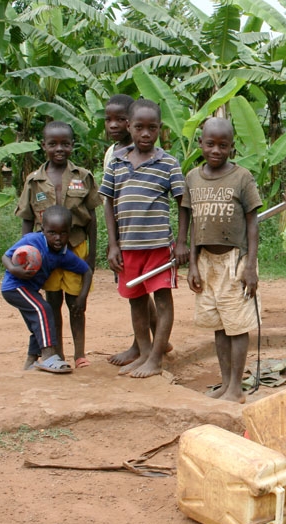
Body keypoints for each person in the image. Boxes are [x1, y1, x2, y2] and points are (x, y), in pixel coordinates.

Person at [99, 98, 189, 378]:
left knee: (162, 301)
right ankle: (144, 351)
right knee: (136, 300)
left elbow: (183, 203)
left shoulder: (168, 164)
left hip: (159, 247)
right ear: (130, 126)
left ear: (161, 129)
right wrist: (113, 245)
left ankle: (155, 360)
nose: (146, 133)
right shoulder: (116, 162)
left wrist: (183, 242)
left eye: (153, 128)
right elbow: (108, 204)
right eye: (139, 127)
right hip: (128, 248)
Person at [182, 117, 262, 403]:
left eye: (223, 145)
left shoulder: (242, 177)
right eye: (210, 144)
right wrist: (192, 263)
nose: (216, 150)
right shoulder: (191, 178)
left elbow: (253, 223)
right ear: (201, 143)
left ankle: (237, 388)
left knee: (237, 325)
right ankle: (226, 383)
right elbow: (191, 224)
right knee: (219, 324)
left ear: (232, 147)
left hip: (234, 260)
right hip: (206, 262)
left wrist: (250, 266)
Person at [15, 121, 100, 369]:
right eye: (53, 144)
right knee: (52, 303)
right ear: (44, 146)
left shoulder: (83, 177)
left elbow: (92, 219)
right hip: (46, 253)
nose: (59, 149)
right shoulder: (34, 181)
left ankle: (80, 354)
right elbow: (28, 220)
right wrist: (23, 252)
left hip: (76, 247)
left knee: (77, 303)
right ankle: (57, 353)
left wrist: (91, 256)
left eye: (65, 143)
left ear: (72, 146)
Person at [2, 205, 93, 374]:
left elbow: (86, 271)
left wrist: (82, 297)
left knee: (37, 323)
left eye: (63, 233)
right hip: (15, 287)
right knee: (44, 309)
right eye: (52, 233)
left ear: (70, 231)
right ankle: (49, 356)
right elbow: (6, 256)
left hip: (30, 291)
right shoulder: (32, 240)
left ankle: (30, 362)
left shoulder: (63, 255)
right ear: (43, 230)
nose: (57, 238)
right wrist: (15, 270)